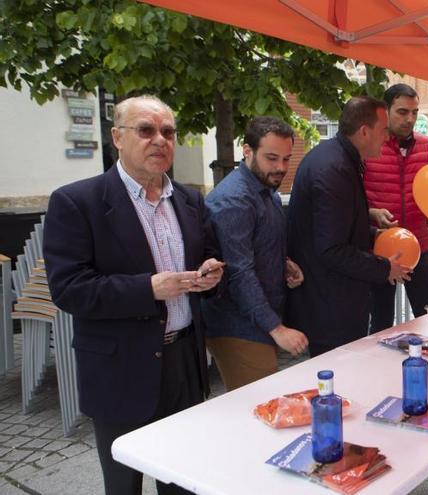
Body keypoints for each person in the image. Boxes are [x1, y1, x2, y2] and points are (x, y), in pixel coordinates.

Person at [43, 95, 224, 495]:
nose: (159, 140)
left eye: (168, 132)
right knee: (124, 486)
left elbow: (211, 258)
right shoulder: (77, 202)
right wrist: (148, 288)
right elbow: (69, 289)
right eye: (146, 130)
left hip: (184, 362)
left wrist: (212, 275)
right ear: (117, 138)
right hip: (120, 367)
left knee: (182, 480)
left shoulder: (190, 200)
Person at [285, 96, 410, 357]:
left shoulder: (336, 158)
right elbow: (332, 249)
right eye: (384, 129)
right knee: (335, 386)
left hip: (331, 302)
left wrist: (376, 234)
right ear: (364, 131)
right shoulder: (334, 168)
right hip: (330, 308)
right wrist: (385, 268)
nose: (387, 137)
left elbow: (342, 225)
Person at [202, 117, 309, 391]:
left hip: (257, 322)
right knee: (260, 412)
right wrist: (278, 329)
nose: (281, 168)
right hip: (237, 326)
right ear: (246, 150)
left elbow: (254, 247)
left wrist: (282, 263)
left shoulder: (265, 190)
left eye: (286, 159)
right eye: (272, 158)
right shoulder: (234, 200)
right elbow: (239, 272)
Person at [363, 84, 428, 332]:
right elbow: (352, 198)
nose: (410, 119)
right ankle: (379, 372)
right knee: (380, 324)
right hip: (379, 251)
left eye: (414, 112)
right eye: (402, 112)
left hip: (421, 247)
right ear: (385, 111)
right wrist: (370, 214)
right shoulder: (368, 149)